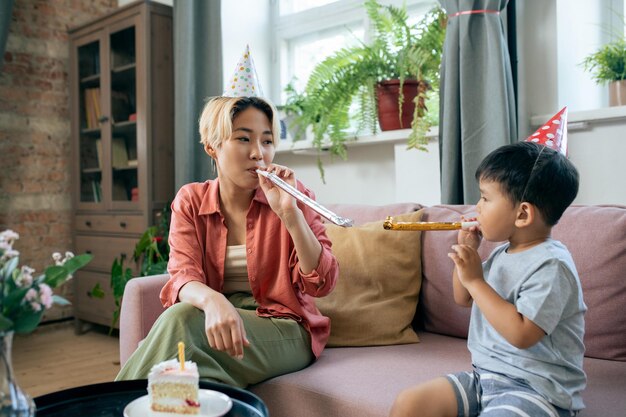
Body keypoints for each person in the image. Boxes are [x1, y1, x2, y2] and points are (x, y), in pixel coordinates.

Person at [115, 94, 339, 387]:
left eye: (267, 141)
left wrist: (289, 214)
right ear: (212, 147)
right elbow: (183, 276)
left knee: (181, 321)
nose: (259, 153)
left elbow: (322, 282)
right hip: (216, 324)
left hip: (285, 328)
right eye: (244, 139)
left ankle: (107, 406)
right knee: (193, 380)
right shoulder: (191, 201)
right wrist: (214, 301)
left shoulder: (293, 196)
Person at [389, 141, 586, 417]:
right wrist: (468, 254)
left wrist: (476, 281)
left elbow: (521, 333)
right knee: (409, 403)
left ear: (523, 214)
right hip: (485, 378)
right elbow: (462, 298)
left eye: (485, 198)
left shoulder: (552, 265)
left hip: (538, 389)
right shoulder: (502, 254)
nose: (477, 207)